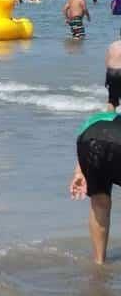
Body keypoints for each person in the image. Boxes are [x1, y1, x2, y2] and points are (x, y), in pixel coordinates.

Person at [69, 112, 121, 264]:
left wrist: (79, 172)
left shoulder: (101, 118)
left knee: (100, 202)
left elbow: (85, 138)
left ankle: (99, 261)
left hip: (88, 141)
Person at [106, 30, 121, 112]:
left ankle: (110, 119)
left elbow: (107, 62)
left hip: (111, 73)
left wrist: (107, 78)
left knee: (112, 100)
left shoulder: (112, 45)